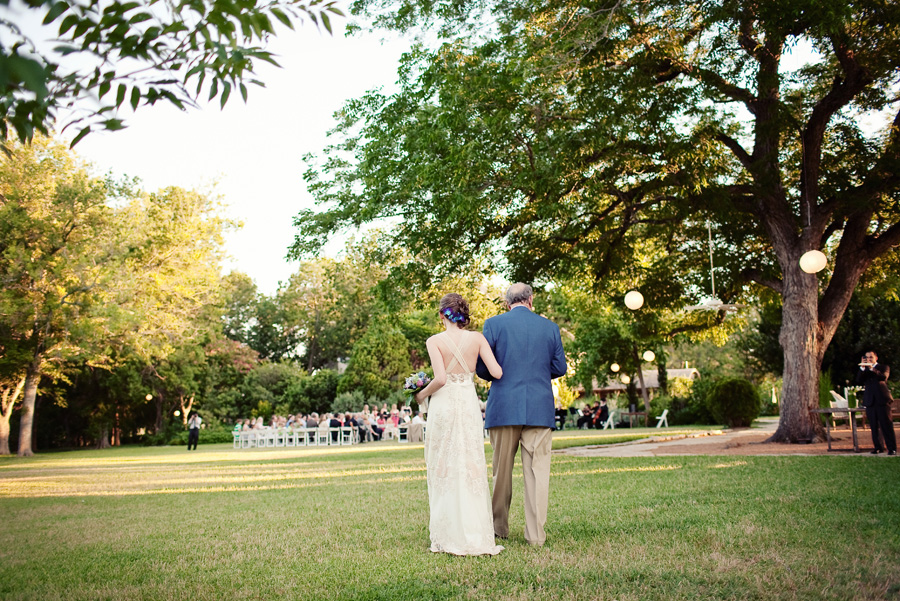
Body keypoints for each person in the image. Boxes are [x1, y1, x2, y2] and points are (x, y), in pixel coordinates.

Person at [476, 283, 567, 547]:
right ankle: (536, 536)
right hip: (539, 407)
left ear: (507, 303)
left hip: (504, 406)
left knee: (501, 472)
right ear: (530, 300)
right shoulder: (549, 327)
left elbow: (483, 368)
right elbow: (559, 367)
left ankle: (498, 529)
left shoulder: (493, 324)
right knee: (538, 473)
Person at [414, 292, 505, 556]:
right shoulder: (477, 338)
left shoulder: (434, 341)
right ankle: (476, 533)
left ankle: (447, 535)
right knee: (470, 463)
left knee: (443, 463)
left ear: (441, 315)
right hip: (467, 403)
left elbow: (440, 379)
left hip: (443, 405)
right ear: (463, 314)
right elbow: (496, 372)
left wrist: (421, 394)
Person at [855, 351, 897, 455]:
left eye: (871, 357)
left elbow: (883, 377)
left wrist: (872, 368)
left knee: (886, 425)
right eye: (867, 357)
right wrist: (863, 368)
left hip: (882, 400)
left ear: (876, 358)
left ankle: (892, 448)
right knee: (874, 426)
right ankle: (878, 447)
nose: (869, 359)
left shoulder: (883, 367)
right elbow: (859, 380)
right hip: (870, 401)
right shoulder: (865, 370)